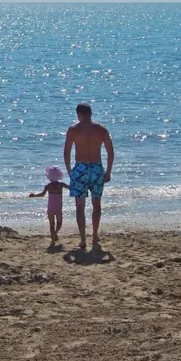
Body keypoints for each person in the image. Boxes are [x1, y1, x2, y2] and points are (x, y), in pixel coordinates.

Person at [64, 102, 114, 250]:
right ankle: (95, 235)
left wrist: (69, 171)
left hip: (80, 168)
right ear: (90, 113)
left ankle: (83, 240)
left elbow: (66, 153)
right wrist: (108, 171)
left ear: (78, 114)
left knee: (80, 207)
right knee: (96, 204)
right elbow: (110, 153)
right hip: (96, 168)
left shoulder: (73, 130)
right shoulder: (101, 130)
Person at [29, 165, 69, 244]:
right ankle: (55, 233)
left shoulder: (48, 186)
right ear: (59, 175)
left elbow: (42, 195)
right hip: (58, 208)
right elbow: (71, 188)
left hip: (50, 208)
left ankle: (53, 240)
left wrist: (34, 195)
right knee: (59, 223)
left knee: (51, 224)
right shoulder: (61, 185)